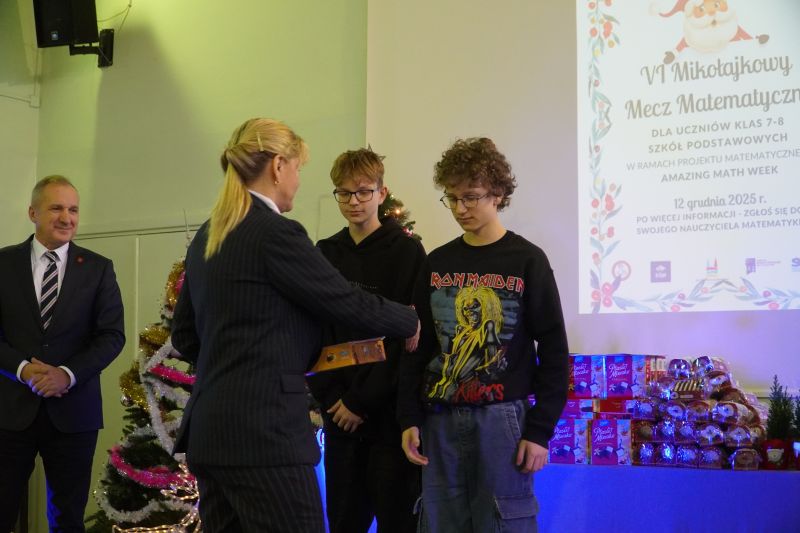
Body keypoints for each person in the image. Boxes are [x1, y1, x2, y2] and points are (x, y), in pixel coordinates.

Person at [171, 119, 419, 533]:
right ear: (278, 166)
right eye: (299, 168)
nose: (299, 181)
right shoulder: (274, 233)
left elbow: (185, 336)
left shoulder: (209, 233)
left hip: (210, 435)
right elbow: (344, 301)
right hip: (264, 436)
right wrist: (408, 319)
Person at [397, 138, 569, 532]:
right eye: (452, 198)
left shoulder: (527, 260)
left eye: (471, 197)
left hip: (501, 420)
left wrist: (540, 430)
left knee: (503, 522)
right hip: (439, 419)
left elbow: (554, 350)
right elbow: (417, 346)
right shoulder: (437, 262)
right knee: (439, 522)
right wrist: (408, 417)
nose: (460, 208)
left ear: (498, 194)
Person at [307, 148, 426, 533]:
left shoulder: (406, 251)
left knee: (398, 520)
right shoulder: (325, 253)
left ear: (381, 193)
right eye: (344, 193)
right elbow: (313, 331)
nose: (353, 201)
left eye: (363, 192)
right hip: (338, 413)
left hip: (387, 416)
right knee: (344, 521)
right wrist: (332, 399)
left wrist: (360, 401)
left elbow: (408, 338)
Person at [0, 175, 126, 532]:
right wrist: (23, 370)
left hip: (74, 413)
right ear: (33, 213)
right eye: (56, 208)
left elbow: (111, 335)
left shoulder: (99, 268)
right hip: (9, 412)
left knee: (68, 519)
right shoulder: (3, 264)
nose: (66, 218)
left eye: (73, 210)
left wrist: (66, 375)